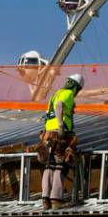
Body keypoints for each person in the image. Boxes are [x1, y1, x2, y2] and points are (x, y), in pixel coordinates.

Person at [37, 73, 84, 209]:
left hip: (48, 134)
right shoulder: (68, 93)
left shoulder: (56, 93)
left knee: (49, 166)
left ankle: (45, 199)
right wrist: (61, 125)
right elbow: (59, 106)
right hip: (59, 134)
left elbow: (51, 109)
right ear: (76, 87)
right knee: (60, 166)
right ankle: (56, 199)